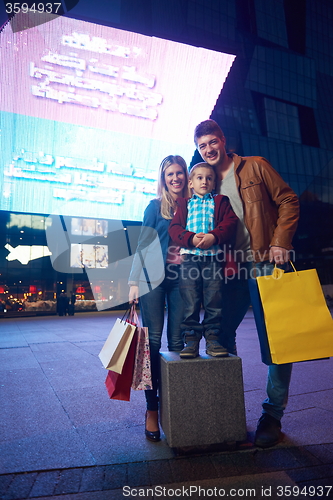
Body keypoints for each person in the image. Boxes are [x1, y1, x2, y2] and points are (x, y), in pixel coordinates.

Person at [194, 119, 299, 448]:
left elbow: (288, 200)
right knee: (221, 335)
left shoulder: (254, 167)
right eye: (202, 146)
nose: (209, 149)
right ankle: (229, 408)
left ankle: (272, 415)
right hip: (231, 271)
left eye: (213, 142)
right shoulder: (207, 184)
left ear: (223, 141)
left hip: (266, 263)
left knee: (278, 341)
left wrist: (281, 240)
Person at [128, 155, 191, 442]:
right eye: (170, 174)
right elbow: (143, 244)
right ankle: (152, 409)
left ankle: (175, 404)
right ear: (163, 179)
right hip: (152, 279)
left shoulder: (196, 206)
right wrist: (133, 281)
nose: (175, 178)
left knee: (178, 343)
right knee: (153, 342)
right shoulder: (155, 207)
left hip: (182, 281)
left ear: (186, 176)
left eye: (179, 173)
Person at [169, 162, 238, 359]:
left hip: (213, 259)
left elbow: (231, 222)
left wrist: (213, 237)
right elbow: (174, 229)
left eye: (209, 178)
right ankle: (191, 340)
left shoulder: (220, 201)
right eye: (199, 178)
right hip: (190, 259)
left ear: (214, 182)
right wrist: (190, 238)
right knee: (190, 300)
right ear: (190, 183)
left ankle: (213, 339)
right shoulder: (184, 204)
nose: (204, 181)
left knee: (214, 299)